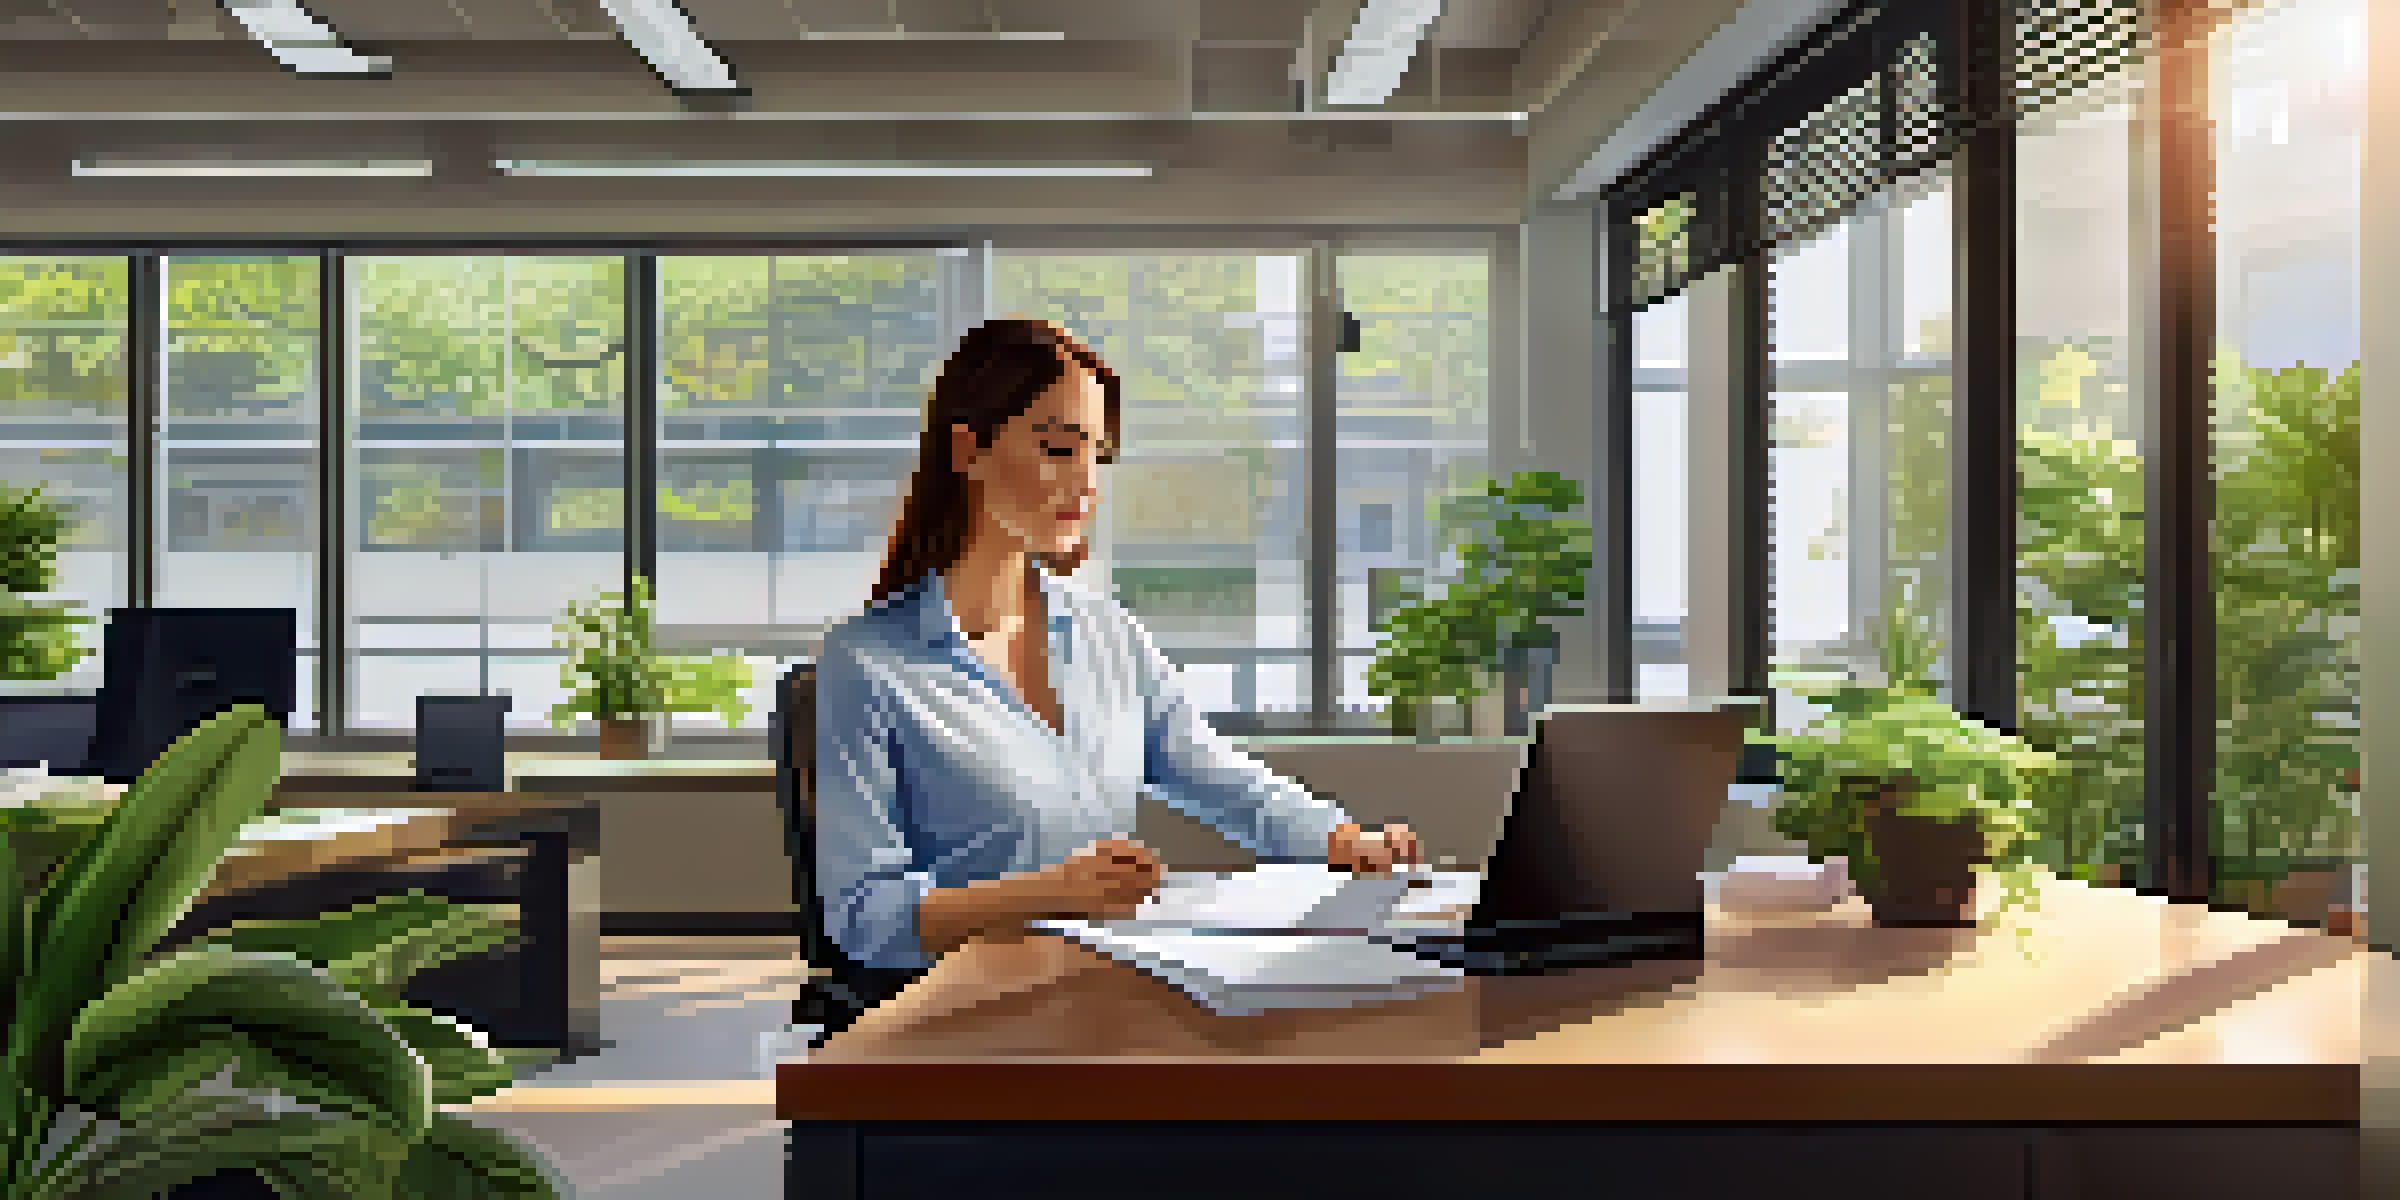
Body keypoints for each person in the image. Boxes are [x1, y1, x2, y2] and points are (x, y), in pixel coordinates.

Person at [814, 318, 1421, 973]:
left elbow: (1219, 779)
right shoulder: (869, 665)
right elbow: (864, 919)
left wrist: (1345, 840)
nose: (1086, 482)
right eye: (1057, 449)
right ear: (968, 451)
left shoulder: (1109, 635)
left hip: (1102, 984)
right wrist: (1050, 894)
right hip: (965, 1012)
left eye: (1097, 456)